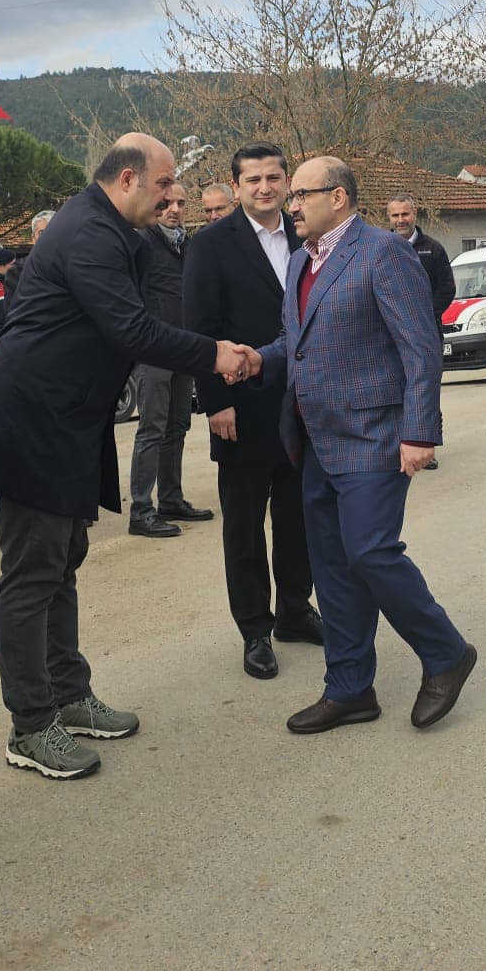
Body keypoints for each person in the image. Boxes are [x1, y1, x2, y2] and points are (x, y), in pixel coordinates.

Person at [0, 134, 253, 781]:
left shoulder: (120, 232)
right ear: (125, 180)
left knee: (63, 563)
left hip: (68, 423)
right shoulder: (87, 234)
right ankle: (30, 726)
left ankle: (68, 694)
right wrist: (214, 354)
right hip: (30, 424)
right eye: (164, 183)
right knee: (32, 575)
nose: (174, 194)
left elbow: (167, 300)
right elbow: (132, 329)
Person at [243, 156, 476, 734]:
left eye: (300, 194)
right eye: (290, 195)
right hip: (314, 440)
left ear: (339, 197)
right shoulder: (301, 260)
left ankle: (446, 652)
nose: (290, 204)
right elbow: (296, 338)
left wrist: (420, 432)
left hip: (373, 435)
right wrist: (256, 359)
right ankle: (349, 689)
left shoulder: (383, 253)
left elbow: (420, 346)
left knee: (370, 551)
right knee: (332, 566)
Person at [185, 143, 321, 680]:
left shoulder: (304, 235)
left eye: (273, 177)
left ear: (287, 182)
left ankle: (293, 609)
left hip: (300, 404)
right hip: (239, 407)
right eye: (253, 180)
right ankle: (254, 631)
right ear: (236, 186)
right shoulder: (211, 245)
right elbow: (199, 328)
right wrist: (214, 401)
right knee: (243, 526)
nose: (265, 188)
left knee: (297, 516)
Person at [127, 181, 213, 538]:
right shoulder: (140, 243)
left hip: (183, 349)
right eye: (167, 203)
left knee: (178, 427)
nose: (175, 209)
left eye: (181, 202)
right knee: (152, 428)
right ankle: (140, 509)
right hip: (153, 351)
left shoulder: (186, 245)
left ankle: (171, 499)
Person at [386, 194, 455, 472]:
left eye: (405, 214)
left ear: (415, 215)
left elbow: (447, 289)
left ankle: (428, 446)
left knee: (425, 389)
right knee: (395, 391)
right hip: (390, 338)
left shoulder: (433, 250)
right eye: (395, 216)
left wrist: (423, 318)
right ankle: (398, 447)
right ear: (388, 218)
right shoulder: (380, 247)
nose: (400, 220)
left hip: (426, 335)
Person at [4, 210, 55, 305]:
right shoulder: (18, 272)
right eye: (42, 233)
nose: (47, 237)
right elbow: (12, 312)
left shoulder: (71, 267)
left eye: (53, 231)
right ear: (33, 238)